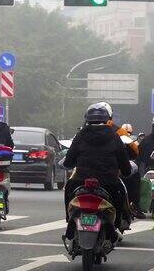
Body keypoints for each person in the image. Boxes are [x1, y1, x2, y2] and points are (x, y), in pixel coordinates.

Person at [63, 103, 132, 241]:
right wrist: (126, 171)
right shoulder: (114, 136)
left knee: (68, 188)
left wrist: (69, 164)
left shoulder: (81, 135)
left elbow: (69, 160)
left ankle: (69, 219)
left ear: (87, 119)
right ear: (108, 119)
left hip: (81, 179)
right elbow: (123, 161)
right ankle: (116, 223)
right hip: (109, 181)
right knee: (120, 195)